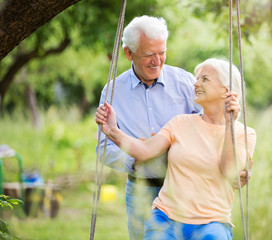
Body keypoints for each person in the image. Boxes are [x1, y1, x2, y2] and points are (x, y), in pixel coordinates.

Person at [95, 58, 257, 239]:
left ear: (226, 91)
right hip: (166, 218)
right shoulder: (180, 122)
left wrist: (229, 124)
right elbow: (144, 150)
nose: (195, 84)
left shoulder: (244, 133)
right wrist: (112, 130)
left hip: (213, 223)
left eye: (204, 79)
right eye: (197, 79)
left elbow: (229, 170)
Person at [96, 15, 202, 240]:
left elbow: (209, 128)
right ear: (128, 53)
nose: (157, 61)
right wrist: (137, 156)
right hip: (141, 192)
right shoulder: (112, 92)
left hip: (186, 189)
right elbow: (103, 148)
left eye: (161, 52)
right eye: (148, 55)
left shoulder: (186, 83)